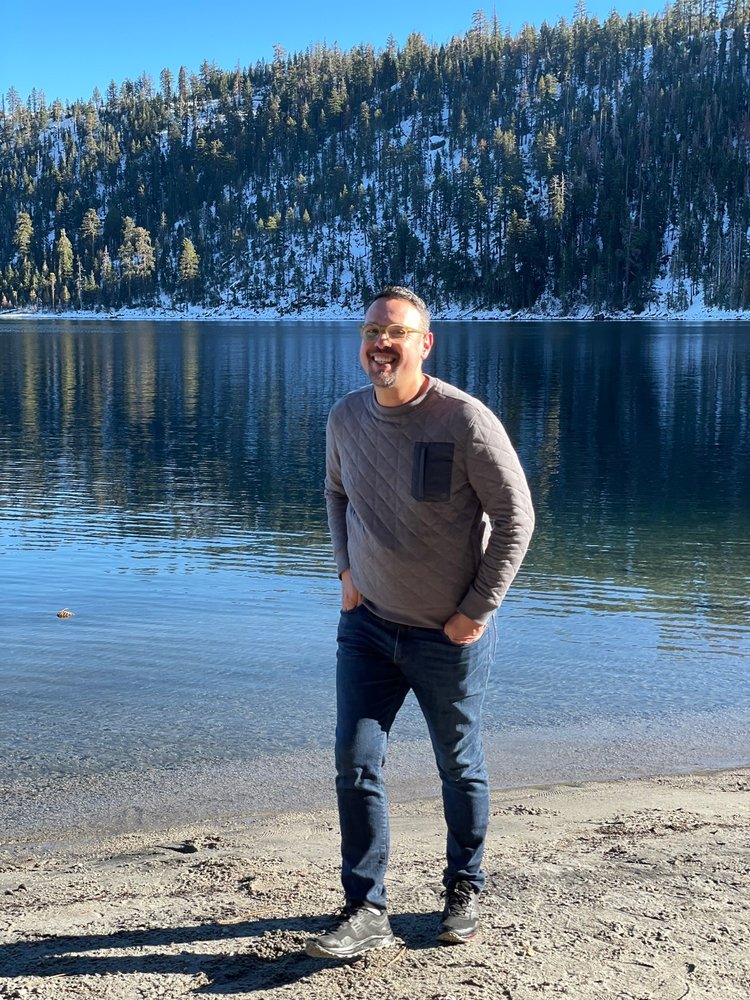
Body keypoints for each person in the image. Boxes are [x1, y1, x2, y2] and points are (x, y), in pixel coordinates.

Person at [306, 286, 535, 960]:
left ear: (424, 344)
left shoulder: (464, 420)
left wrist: (476, 611)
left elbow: (516, 519)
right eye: (371, 331)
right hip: (368, 627)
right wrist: (346, 572)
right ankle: (365, 908)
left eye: (396, 332)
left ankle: (464, 889)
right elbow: (336, 494)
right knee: (355, 763)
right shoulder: (346, 417)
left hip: (447, 635)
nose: (381, 343)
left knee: (458, 765)